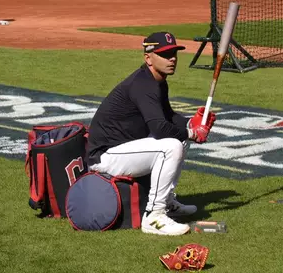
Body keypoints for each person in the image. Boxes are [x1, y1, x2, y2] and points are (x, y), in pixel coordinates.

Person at [86, 32, 217, 236]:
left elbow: (168, 116)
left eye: (173, 53)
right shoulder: (143, 84)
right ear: (148, 58)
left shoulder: (157, 81)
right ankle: (154, 216)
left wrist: (191, 122)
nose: (172, 58)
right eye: (165, 54)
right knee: (171, 146)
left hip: (123, 148)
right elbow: (159, 128)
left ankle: (167, 202)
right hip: (105, 156)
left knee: (179, 141)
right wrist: (192, 132)